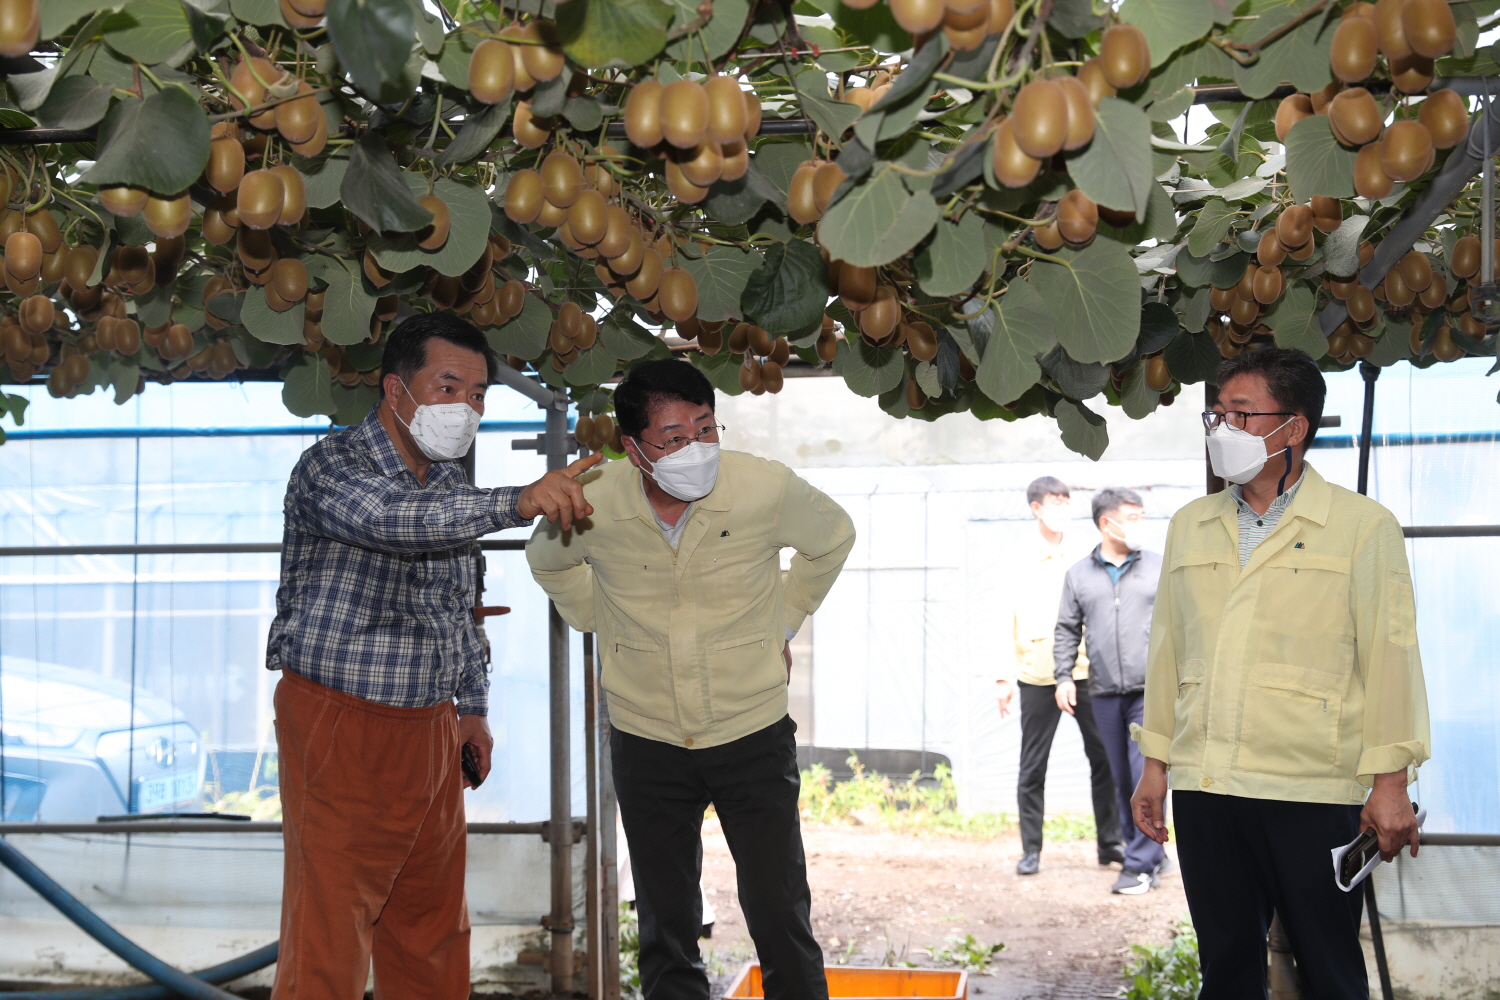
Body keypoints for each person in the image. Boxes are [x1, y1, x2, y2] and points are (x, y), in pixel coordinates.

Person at [264, 313, 598, 1000]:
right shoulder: (333, 465)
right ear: (395, 389)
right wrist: (517, 500)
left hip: (430, 732)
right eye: (449, 387)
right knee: (330, 932)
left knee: (431, 929)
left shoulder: (449, 489)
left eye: (478, 395)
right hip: (339, 725)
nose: (467, 408)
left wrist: (471, 711)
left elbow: (460, 609)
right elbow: (392, 523)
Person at [527, 359, 856, 1000]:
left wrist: (782, 622)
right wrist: (599, 618)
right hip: (646, 738)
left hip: (751, 732)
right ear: (633, 448)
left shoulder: (763, 486)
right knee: (665, 920)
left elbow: (833, 539)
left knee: (778, 908)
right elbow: (549, 562)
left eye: (706, 428)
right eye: (674, 439)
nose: (697, 449)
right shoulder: (595, 498)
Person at [1130, 347, 1430, 999]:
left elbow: (1390, 656)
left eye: (1240, 414)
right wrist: (1156, 766)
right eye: (1216, 416)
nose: (1222, 430)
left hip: (1311, 790)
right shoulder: (1191, 526)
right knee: (1229, 972)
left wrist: (1390, 782)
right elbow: (1167, 654)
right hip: (1209, 788)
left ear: (1293, 427)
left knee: (1329, 973)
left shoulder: (1360, 527)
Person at [998, 476, 1123, 876]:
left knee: (1105, 758)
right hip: (1036, 673)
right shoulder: (1017, 557)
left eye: (1067, 502)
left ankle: (1111, 844)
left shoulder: (1087, 555)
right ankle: (1030, 850)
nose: (1062, 510)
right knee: (1032, 765)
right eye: (1055, 502)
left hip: (1087, 671)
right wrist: (1002, 677)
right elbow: (1003, 616)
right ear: (1036, 508)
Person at [1054, 487, 1165, 894]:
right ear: (1107, 522)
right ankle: (1148, 846)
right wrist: (1063, 676)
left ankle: (1139, 865)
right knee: (1120, 777)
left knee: (1144, 775)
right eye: (1131, 516)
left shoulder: (1158, 566)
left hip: (1149, 691)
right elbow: (1067, 629)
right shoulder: (1078, 575)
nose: (1140, 524)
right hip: (1101, 692)